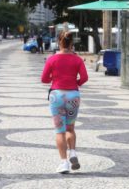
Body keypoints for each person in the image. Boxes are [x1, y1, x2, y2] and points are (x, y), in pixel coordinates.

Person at [41, 31, 88, 174]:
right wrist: (75, 82)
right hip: (73, 95)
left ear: (58, 42)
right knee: (70, 128)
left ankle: (64, 163)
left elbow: (44, 79)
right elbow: (85, 77)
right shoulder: (77, 59)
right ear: (72, 43)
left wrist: (54, 79)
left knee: (60, 131)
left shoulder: (51, 59)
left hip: (57, 95)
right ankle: (73, 152)